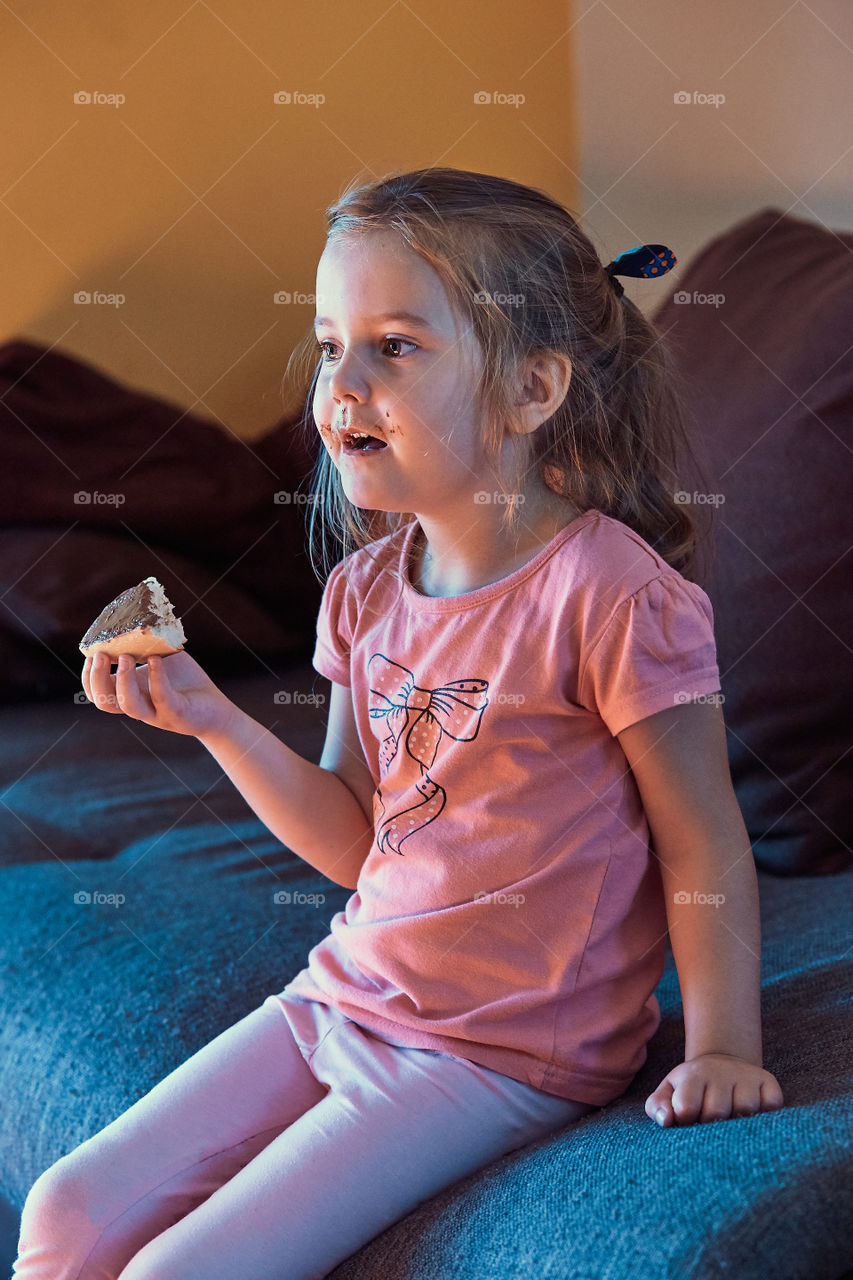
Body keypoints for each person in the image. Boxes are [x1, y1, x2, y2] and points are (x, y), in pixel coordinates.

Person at [14, 166, 784, 1280]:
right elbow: (356, 841)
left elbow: (702, 838)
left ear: (532, 387)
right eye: (331, 346)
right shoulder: (364, 592)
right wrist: (213, 718)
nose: (341, 384)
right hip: (345, 991)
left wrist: (720, 1047)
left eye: (394, 346)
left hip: (498, 1047)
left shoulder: (610, 595)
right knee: (65, 1210)